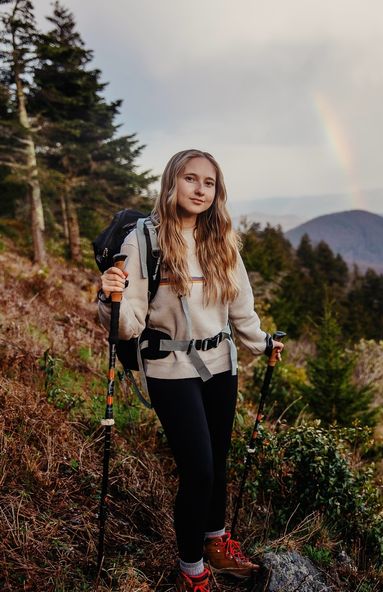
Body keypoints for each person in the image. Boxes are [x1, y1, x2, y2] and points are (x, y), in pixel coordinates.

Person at [97, 149, 284, 592]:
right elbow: (128, 327)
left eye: (209, 183)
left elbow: (242, 309)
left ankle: (217, 543)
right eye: (190, 179)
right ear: (171, 183)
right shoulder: (143, 242)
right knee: (198, 469)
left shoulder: (222, 239)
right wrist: (110, 297)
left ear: (217, 192)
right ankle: (192, 568)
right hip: (169, 368)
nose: (200, 190)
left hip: (222, 364)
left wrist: (262, 344)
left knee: (217, 463)